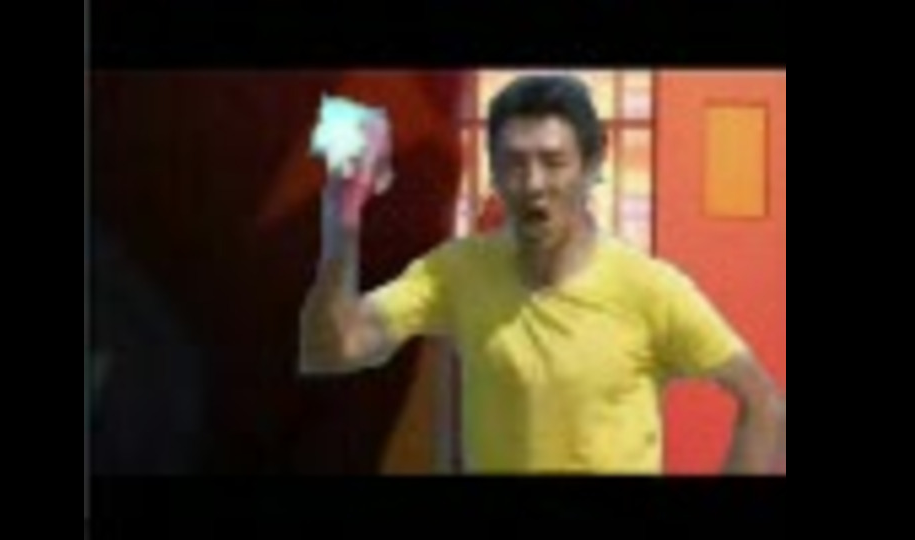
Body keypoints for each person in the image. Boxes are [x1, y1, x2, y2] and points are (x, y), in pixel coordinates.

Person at [299, 74, 785, 474]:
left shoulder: (650, 289)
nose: (533, 184)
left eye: (553, 163)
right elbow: (332, 348)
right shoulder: (456, 272)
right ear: (495, 170)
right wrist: (342, 216)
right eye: (514, 163)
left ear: (592, 166)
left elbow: (764, 403)